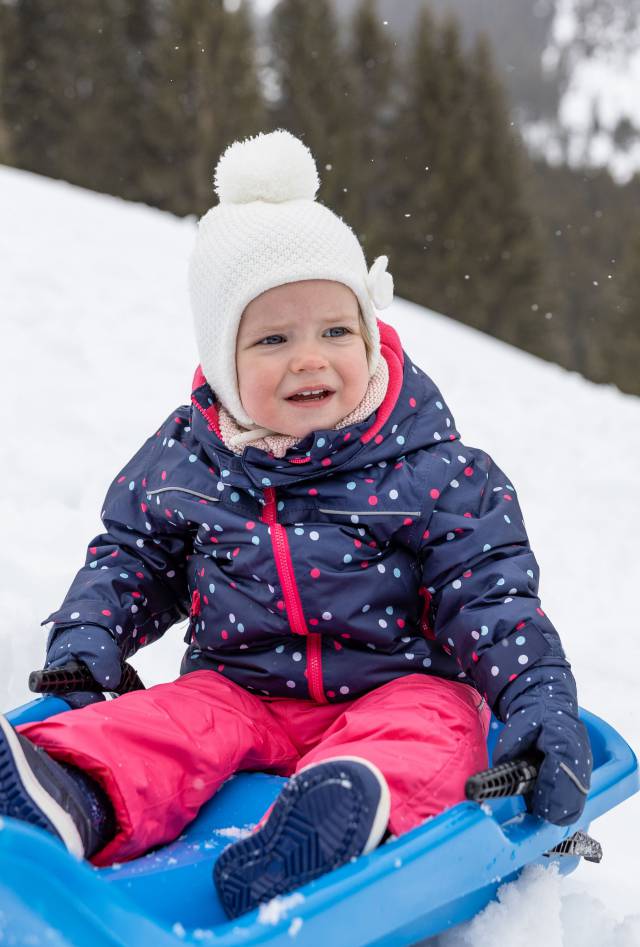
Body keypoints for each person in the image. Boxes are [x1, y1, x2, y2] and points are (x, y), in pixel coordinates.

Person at [0, 130, 592, 919]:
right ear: (222, 361)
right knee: (165, 723)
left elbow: (494, 603)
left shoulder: (433, 469)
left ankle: (341, 825)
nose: (310, 359)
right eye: (273, 338)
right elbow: (132, 557)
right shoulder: (193, 457)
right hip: (238, 691)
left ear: (370, 332)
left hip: (393, 688)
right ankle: (62, 791)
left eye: (334, 331)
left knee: (435, 732)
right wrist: (89, 640)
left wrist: (539, 701)